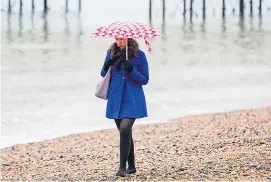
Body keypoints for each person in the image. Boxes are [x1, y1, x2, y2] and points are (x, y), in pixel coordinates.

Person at [100, 37, 149, 177]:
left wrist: (132, 70)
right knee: (125, 132)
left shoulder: (139, 55)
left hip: (132, 99)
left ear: (128, 39)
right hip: (116, 99)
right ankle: (132, 166)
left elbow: (145, 79)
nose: (119, 42)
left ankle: (122, 168)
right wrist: (106, 66)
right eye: (117, 39)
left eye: (122, 39)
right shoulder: (111, 53)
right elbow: (103, 74)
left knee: (125, 129)